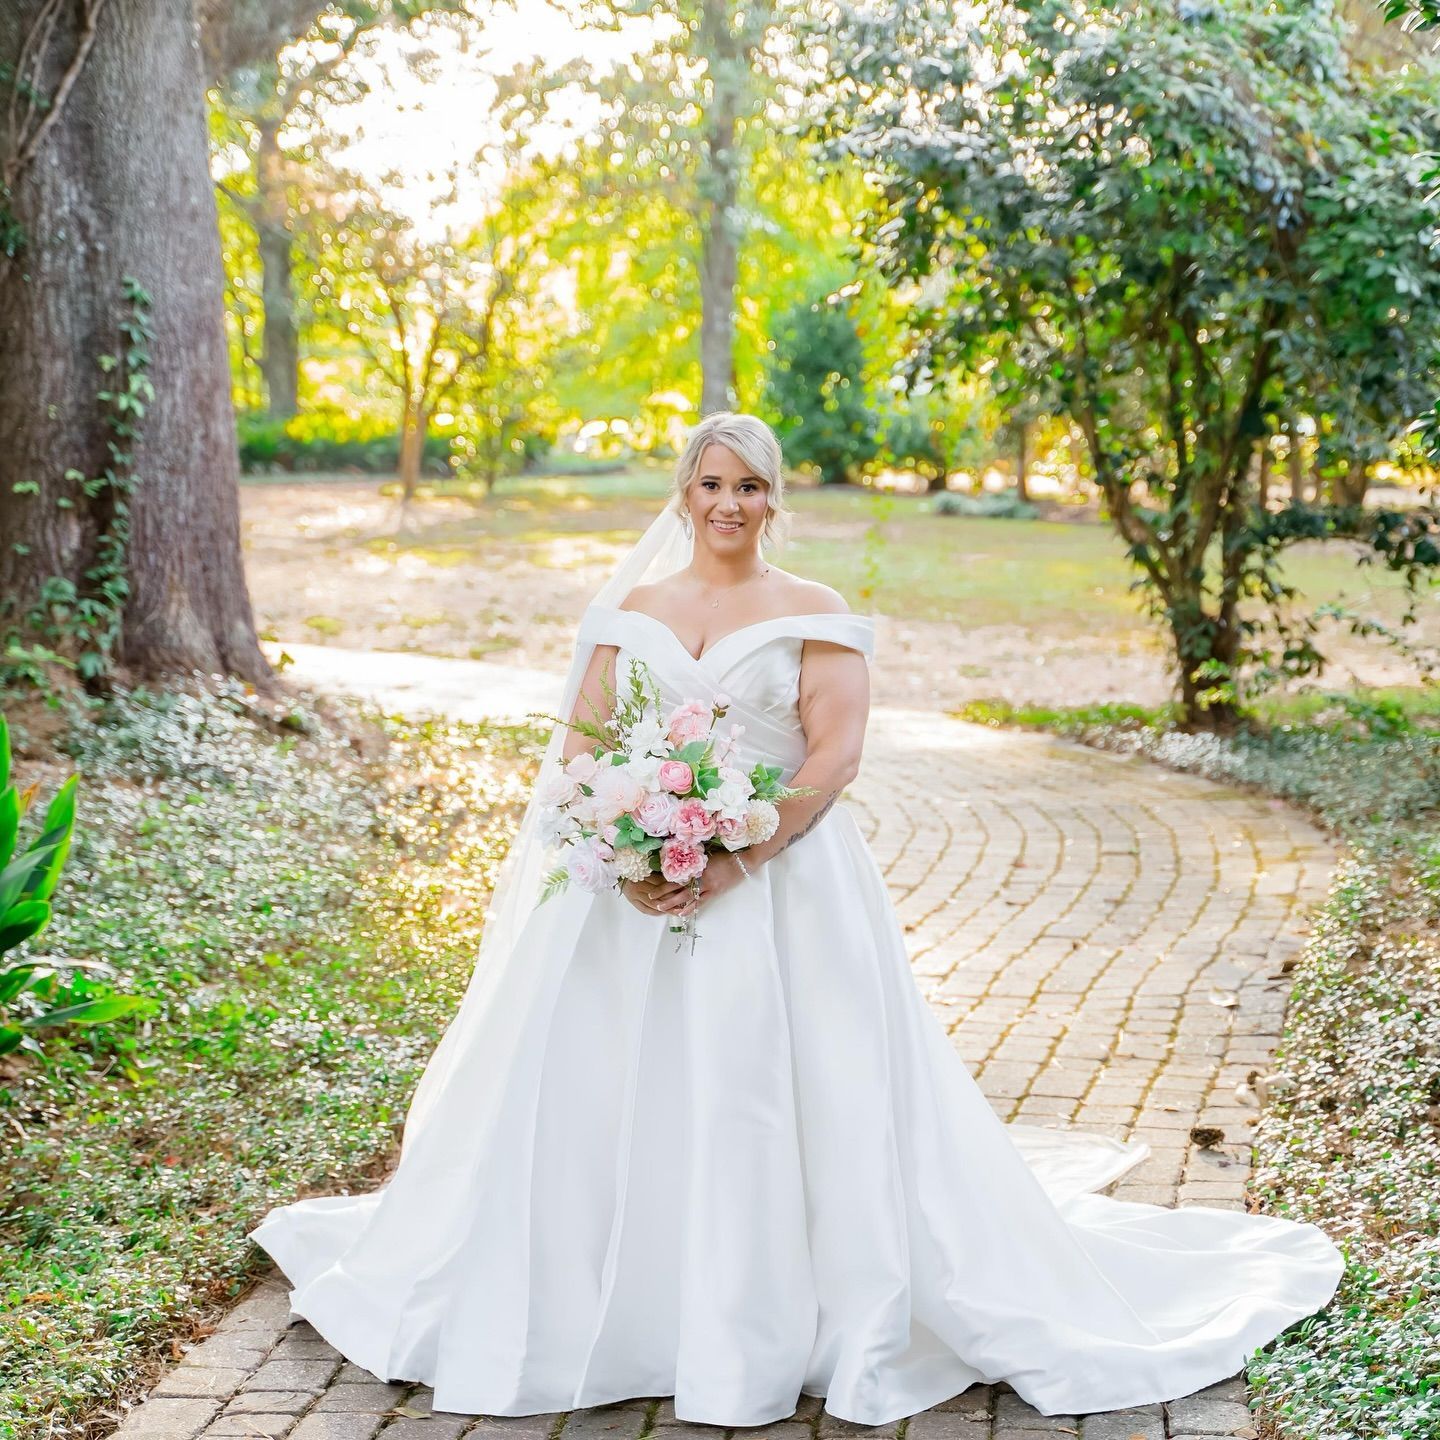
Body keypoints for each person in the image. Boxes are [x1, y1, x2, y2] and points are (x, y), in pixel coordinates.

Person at [248, 412, 1344, 1428]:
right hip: (625, 892)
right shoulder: (626, 616)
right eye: (713, 482)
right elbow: (581, 749)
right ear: (684, 493)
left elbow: (835, 757)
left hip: (784, 890)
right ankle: (608, 1300)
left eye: (752, 486)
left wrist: (739, 855)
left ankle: (764, 1320)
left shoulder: (815, 611)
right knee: (593, 1092)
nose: (731, 502)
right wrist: (630, 849)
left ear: (775, 499)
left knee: (768, 1092)